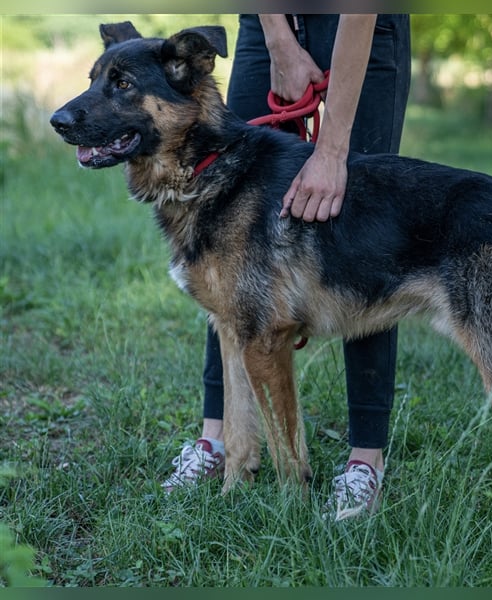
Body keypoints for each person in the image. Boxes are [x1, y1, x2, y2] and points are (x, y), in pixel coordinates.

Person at [162, 13, 411, 520]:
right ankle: (221, 443)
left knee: (362, 239)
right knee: (227, 240)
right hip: (266, 23)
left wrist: (332, 150)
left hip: (362, 25)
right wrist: (278, 39)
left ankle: (365, 462)